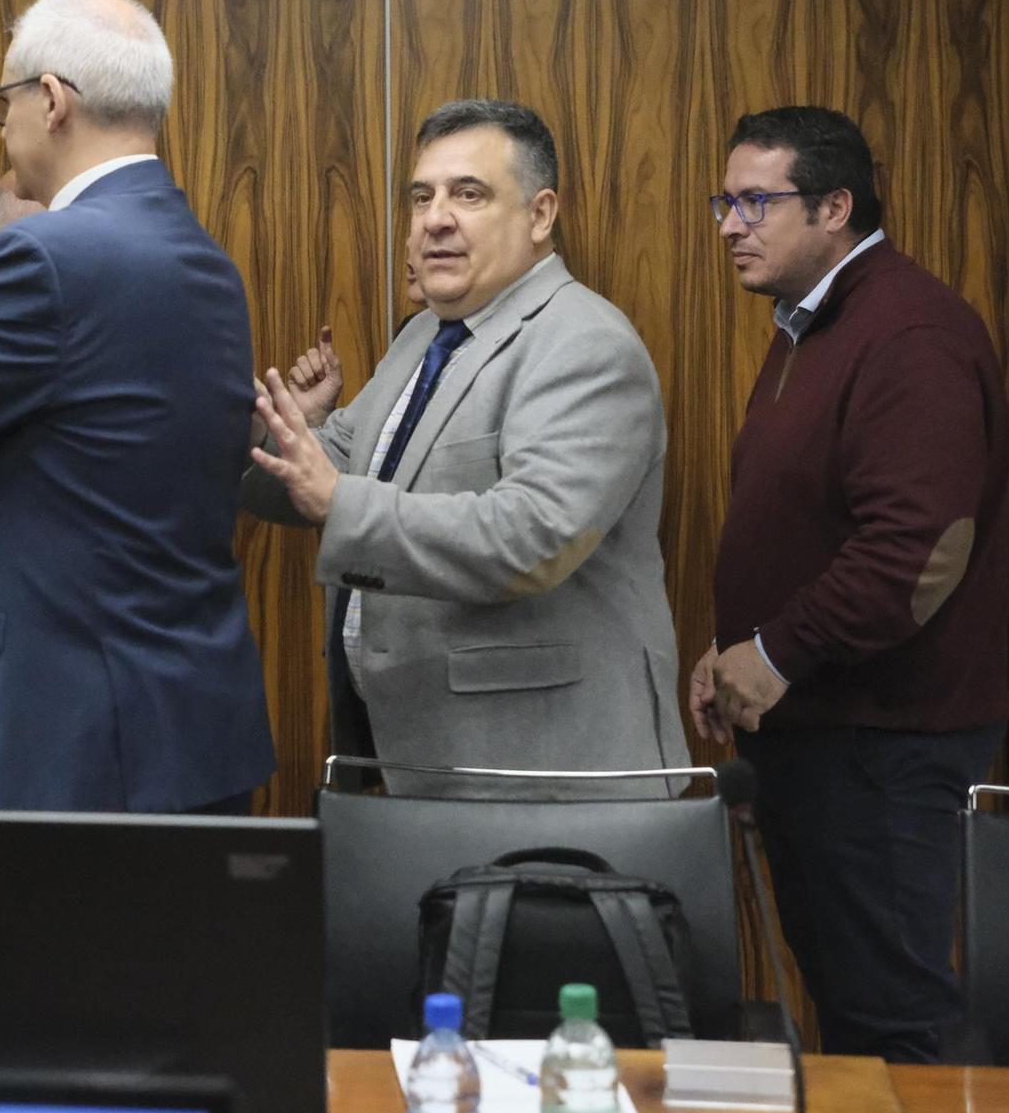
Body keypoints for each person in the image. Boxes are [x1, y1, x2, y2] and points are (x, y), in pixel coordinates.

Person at [0, 0, 275, 813]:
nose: (4, 127)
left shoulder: (43, 255)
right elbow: (101, 459)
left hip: (63, 746)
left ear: (51, 99)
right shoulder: (210, 263)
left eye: (4, 103)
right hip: (192, 736)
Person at [244, 99, 689, 799]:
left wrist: (338, 499)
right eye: (422, 196)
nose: (434, 219)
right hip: (414, 761)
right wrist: (244, 418)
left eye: (468, 194)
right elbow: (329, 467)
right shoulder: (423, 335)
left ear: (541, 215)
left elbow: (532, 535)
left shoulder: (586, 343)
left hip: (544, 779)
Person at [689, 106, 1009, 1061]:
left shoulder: (908, 331)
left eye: (756, 200)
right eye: (726, 200)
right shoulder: (813, 324)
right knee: (851, 1005)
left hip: (882, 743)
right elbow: (801, 522)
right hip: (823, 731)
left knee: (893, 1017)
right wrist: (736, 647)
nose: (730, 224)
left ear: (836, 206)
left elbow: (917, 551)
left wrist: (778, 649)